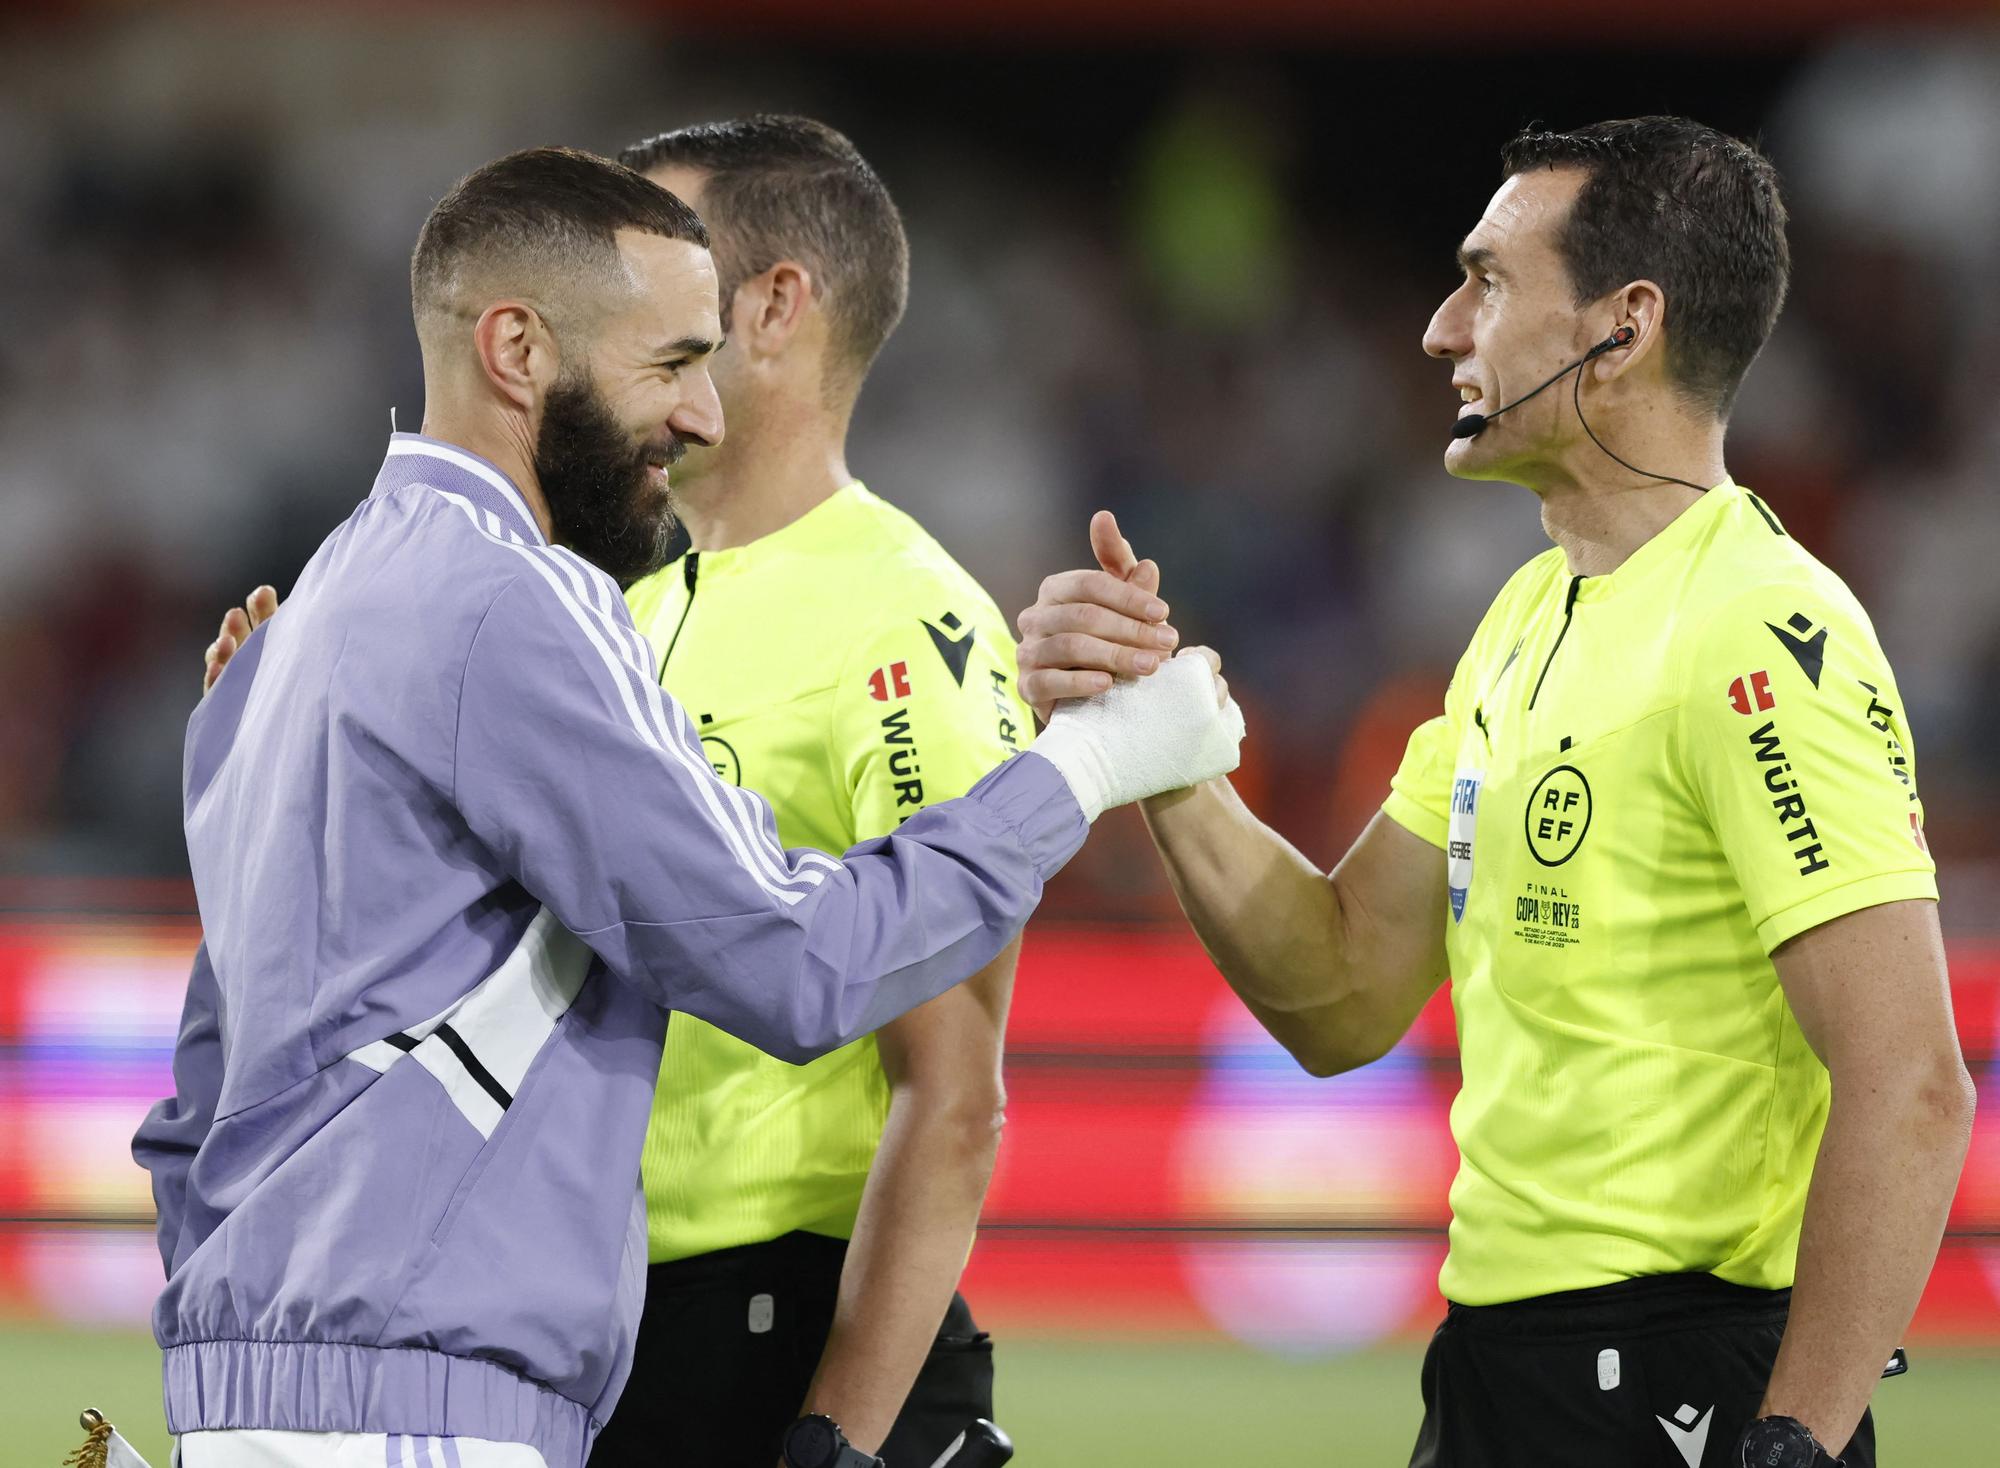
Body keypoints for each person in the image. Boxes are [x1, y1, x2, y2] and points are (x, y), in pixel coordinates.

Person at [139, 144, 1243, 1468]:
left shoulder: (299, 631)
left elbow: (198, 1106)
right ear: (518, 352)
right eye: (669, 363)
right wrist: (1087, 769)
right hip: (432, 1400)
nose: (701, 409)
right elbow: (785, 955)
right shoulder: (527, 606)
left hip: (266, 1392)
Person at [1014, 117, 1974, 1468]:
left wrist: (1798, 1443)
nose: (1438, 327)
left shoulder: (1758, 632)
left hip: (1679, 1376)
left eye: (1488, 280)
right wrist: (1160, 748)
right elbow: (1344, 993)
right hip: (1499, 1370)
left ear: (1624, 326)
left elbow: (1911, 1081)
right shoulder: (1527, 617)